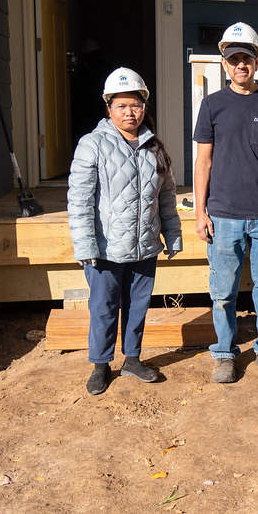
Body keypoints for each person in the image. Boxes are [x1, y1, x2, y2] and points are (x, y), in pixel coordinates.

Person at [68, 67, 182, 396]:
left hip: (145, 245)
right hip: (106, 249)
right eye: (121, 106)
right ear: (109, 108)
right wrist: (85, 246)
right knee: (103, 308)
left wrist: (172, 235)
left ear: (144, 107)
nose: (130, 112)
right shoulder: (92, 145)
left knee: (137, 306)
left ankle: (132, 360)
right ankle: (100, 365)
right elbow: (79, 200)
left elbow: (167, 195)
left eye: (136, 105)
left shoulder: (154, 146)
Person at [193, 22, 258, 384]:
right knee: (223, 292)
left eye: (246, 59)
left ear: (257, 61)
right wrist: (200, 212)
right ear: (224, 63)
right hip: (223, 215)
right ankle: (224, 353)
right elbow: (203, 161)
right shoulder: (212, 105)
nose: (240, 65)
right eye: (233, 59)